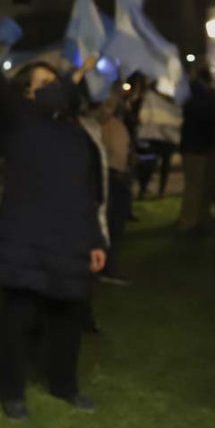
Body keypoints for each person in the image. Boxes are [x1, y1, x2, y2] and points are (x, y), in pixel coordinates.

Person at [0, 19, 106, 420]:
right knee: (18, 322)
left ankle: (65, 385)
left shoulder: (76, 137)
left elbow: (87, 194)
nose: (52, 86)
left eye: (55, 81)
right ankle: (13, 392)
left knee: (68, 323)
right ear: (27, 93)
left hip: (72, 240)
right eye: (43, 82)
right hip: (26, 239)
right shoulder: (18, 121)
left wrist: (95, 241)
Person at [178, 66, 215, 236]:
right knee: (199, 187)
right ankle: (191, 222)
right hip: (202, 147)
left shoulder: (191, 95)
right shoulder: (208, 97)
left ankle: (198, 219)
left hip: (193, 146)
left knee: (197, 186)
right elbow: (213, 119)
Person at [97, 87, 133, 284]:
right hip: (109, 177)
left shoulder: (118, 123)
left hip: (119, 177)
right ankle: (106, 267)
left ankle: (109, 264)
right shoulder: (101, 124)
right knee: (109, 223)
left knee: (116, 224)